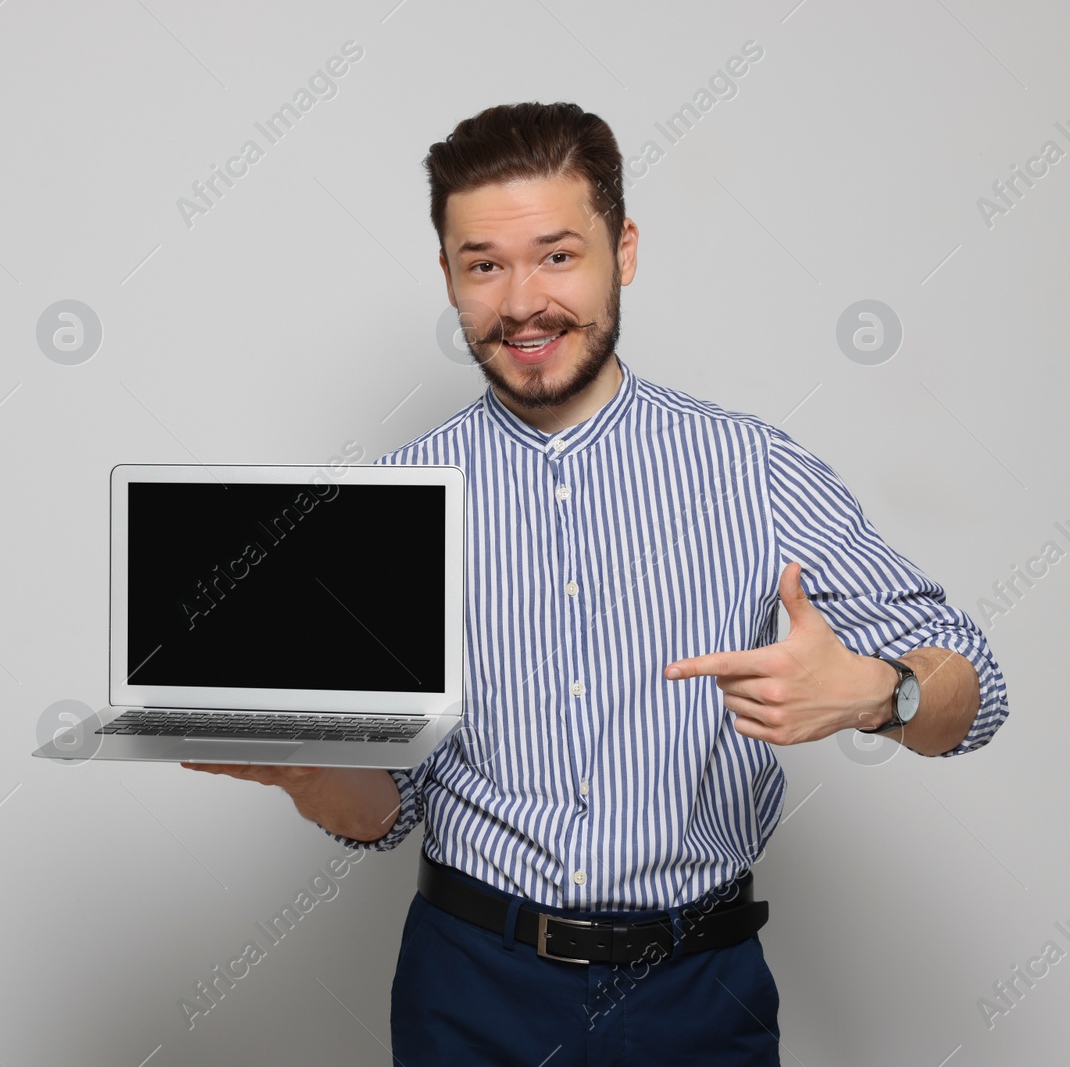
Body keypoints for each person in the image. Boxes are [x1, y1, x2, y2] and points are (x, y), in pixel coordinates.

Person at [183, 100, 1009, 1065]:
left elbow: (978, 691)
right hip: (470, 990)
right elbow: (385, 808)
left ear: (623, 249)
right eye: (484, 263)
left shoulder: (754, 469)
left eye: (557, 254)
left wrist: (883, 691)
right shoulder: (396, 506)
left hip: (699, 993)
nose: (523, 301)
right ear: (448, 273)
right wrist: (306, 770)